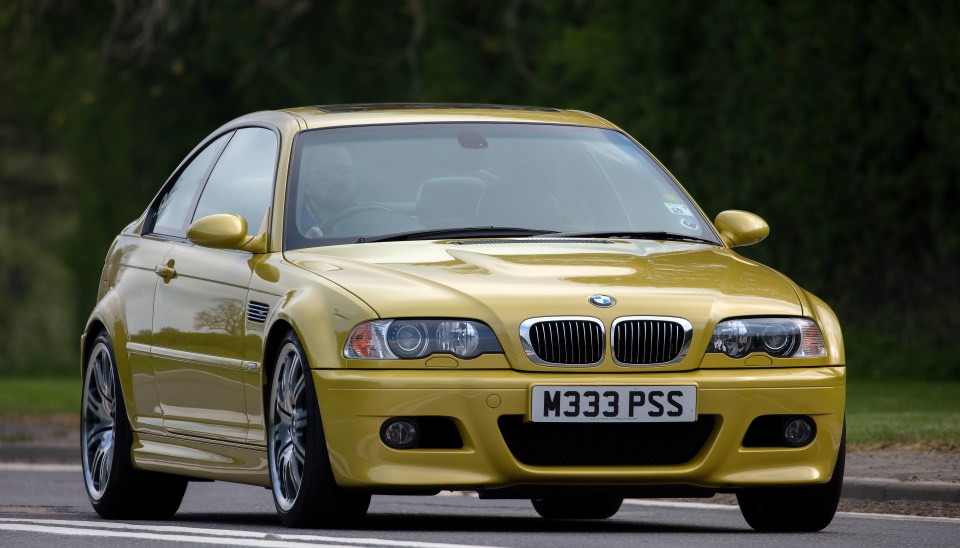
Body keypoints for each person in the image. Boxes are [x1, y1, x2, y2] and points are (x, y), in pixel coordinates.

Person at [298, 145, 358, 238]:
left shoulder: (375, 222)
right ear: (306, 185)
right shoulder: (291, 230)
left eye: (346, 171)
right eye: (326, 172)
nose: (338, 180)